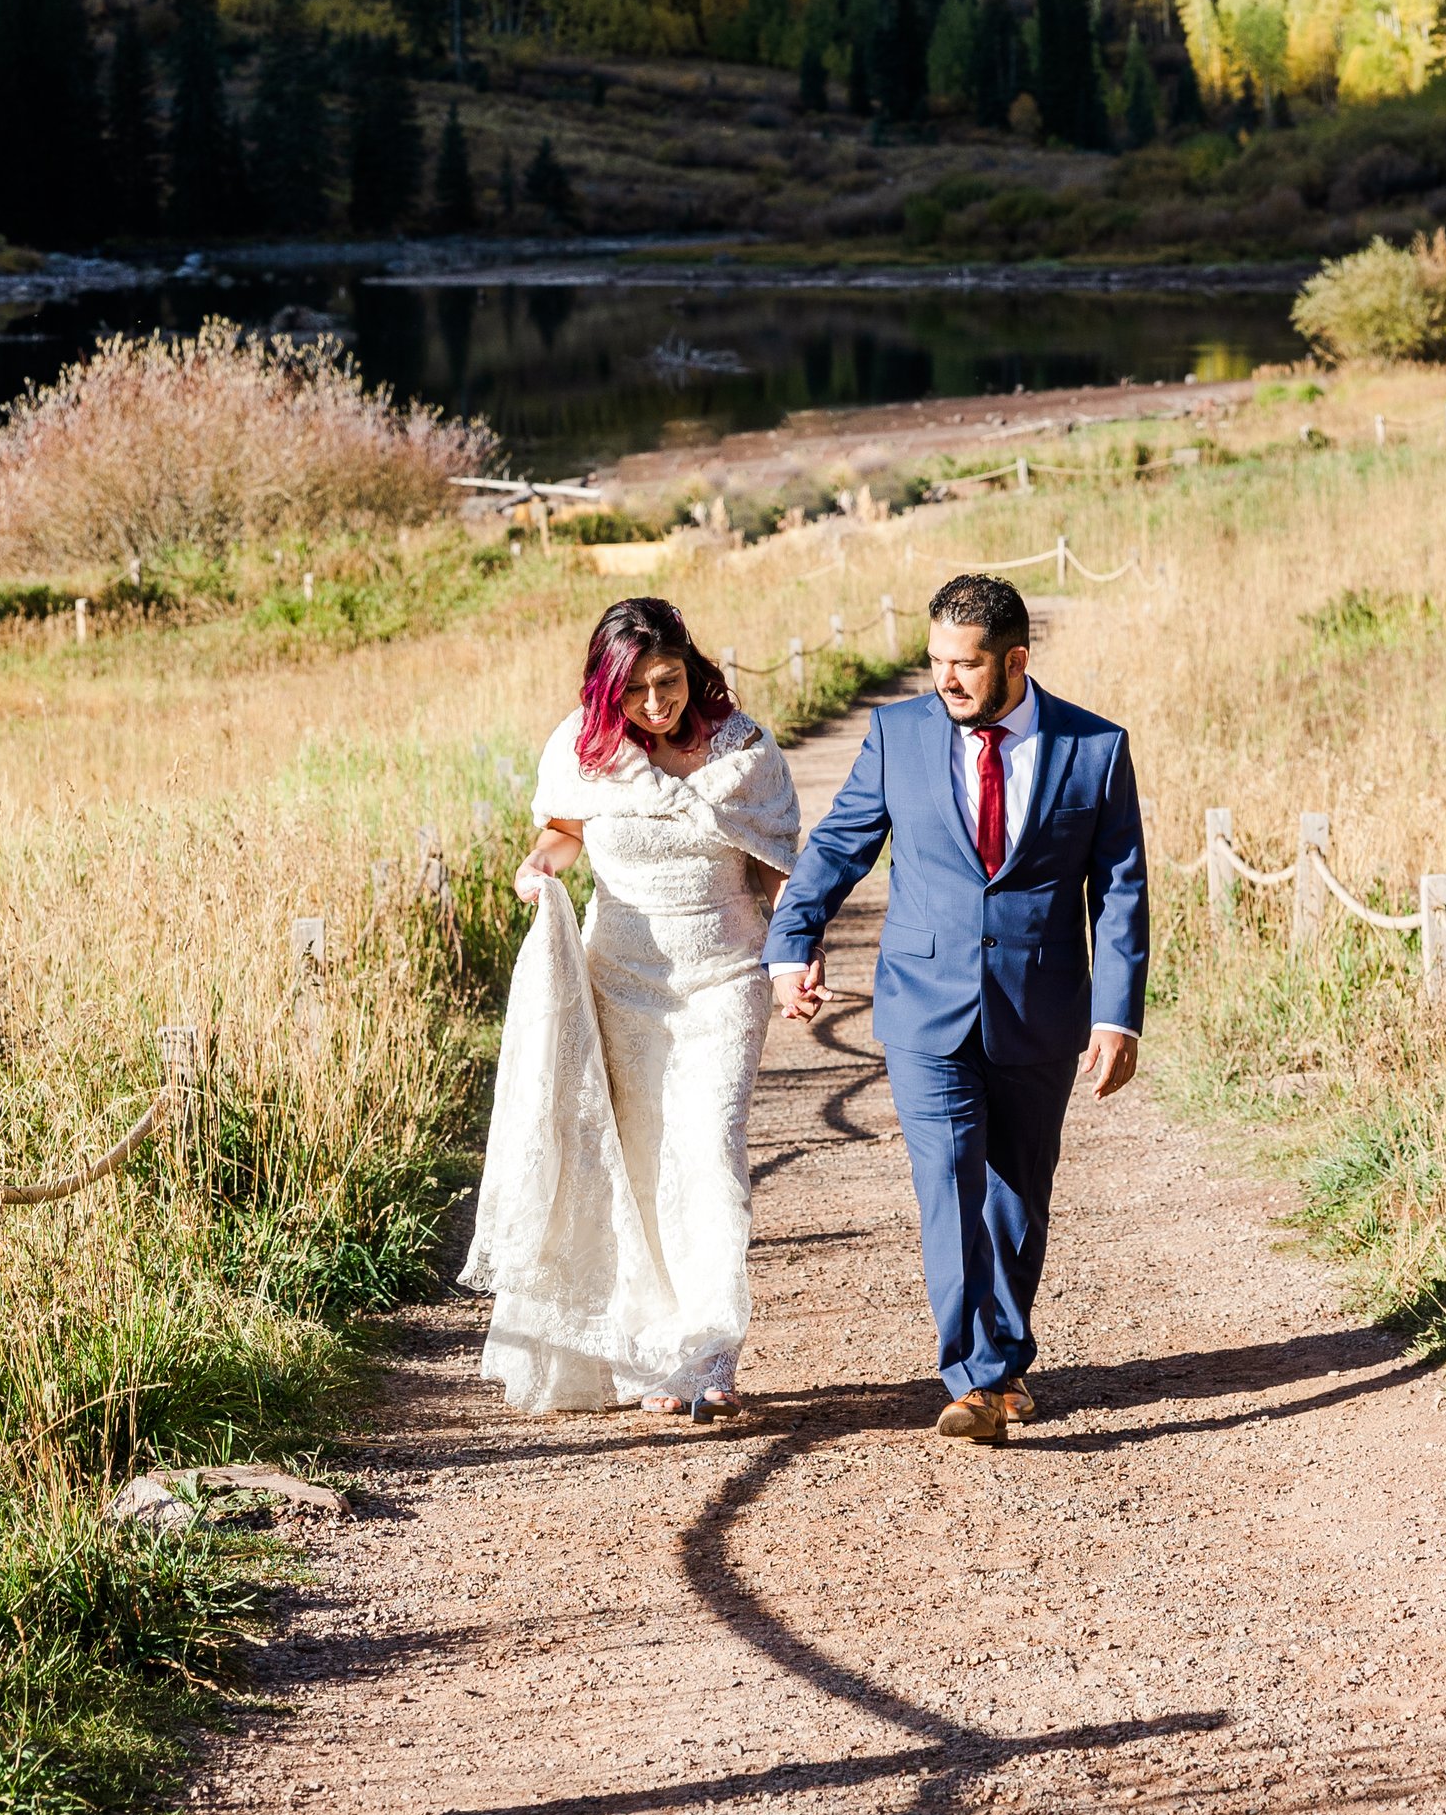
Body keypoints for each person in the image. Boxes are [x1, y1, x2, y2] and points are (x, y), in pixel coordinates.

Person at [763, 568, 1146, 1446]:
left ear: (1015, 661)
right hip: (924, 1007)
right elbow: (839, 844)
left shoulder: (1095, 747)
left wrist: (1117, 1016)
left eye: (966, 665)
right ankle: (973, 1379)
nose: (946, 681)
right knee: (948, 1183)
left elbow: (1120, 892)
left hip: (1039, 1007)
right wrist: (794, 939)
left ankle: (1004, 1362)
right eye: (935, 661)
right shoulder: (897, 735)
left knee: (1018, 1193)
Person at [462, 597, 803, 1423]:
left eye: (671, 682)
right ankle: (653, 1353)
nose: (658, 704)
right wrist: (537, 869)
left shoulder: (745, 751)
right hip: (621, 980)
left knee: (711, 1149)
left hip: (724, 978)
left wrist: (796, 955)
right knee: (641, 1160)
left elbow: (777, 871)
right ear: (608, 688)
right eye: (639, 690)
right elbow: (563, 835)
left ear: (693, 669)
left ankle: (711, 1353)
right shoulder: (584, 749)